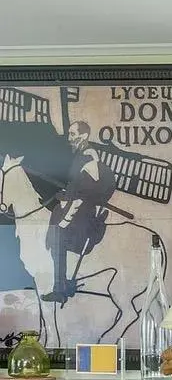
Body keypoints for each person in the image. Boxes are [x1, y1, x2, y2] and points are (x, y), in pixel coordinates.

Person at [43, 121, 115, 303]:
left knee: (57, 237)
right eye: (69, 134)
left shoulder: (89, 156)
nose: (69, 138)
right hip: (77, 203)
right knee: (56, 231)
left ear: (84, 136)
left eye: (73, 134)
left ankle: (60, 290)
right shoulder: (80, 155)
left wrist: (67, 195)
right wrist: (67, 193)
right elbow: (77, 183)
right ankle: (61, 285)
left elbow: (89, 187)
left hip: (83, 209)